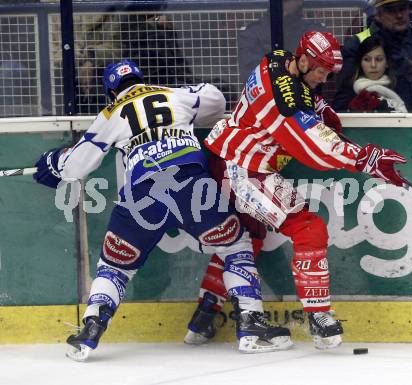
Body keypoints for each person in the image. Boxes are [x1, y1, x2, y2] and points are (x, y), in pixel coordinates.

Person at [32, 60, 293, 361]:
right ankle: (251, 328)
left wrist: (55, 162)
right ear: (142, 78)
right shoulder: (174, 95)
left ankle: (90, 330)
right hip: (191, 184)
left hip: (141, 195)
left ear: (109, 92)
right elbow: (216, 101)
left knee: (115, 267)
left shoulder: (110, 113)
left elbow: (77, 165)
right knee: (235, 246)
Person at [184, 31, 407, 350]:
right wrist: (365, 159)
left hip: (225, 156)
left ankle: (203, 318)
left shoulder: (278, 60)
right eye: (319, 70)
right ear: (302, 60)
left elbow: (315, 80)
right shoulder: (285, 101)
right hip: (245, 168)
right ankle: (319, 317)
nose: (323, 78)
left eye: (328, 72)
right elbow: (312, 147)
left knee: (246, 240)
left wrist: (367, 33)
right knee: (308, 227)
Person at [332, 0, 412, 112]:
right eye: (391, 10)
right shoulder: (358, 45)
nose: (399, 15)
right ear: (378, 15)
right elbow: (344, 99)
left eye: (402, 8)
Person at [237, 0, 328, 85]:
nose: (285, 2)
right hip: (267, 95)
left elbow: (324, 73)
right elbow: (250, 74)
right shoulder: (253, 33)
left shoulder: (315, 32)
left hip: (307, 95)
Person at [348, 35, 407, 112]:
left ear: (387, 63)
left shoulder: (402, 87)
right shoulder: (348, 91)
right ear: (360, 63)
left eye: (379, 59)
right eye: (367, 59)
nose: (373, 65)